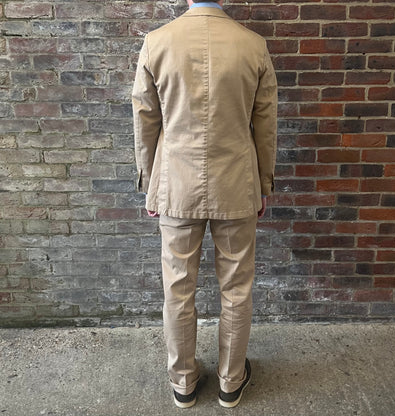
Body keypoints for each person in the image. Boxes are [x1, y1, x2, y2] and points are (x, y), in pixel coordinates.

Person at [132, 0, 277, 408]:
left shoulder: (157, 42)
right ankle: (231, 381)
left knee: (178, 288)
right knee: (236, 287)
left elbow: (145, 117)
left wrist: (149, 182)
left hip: (176, 184)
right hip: (236, 183)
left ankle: (184, 382)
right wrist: (263, 182)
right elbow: (265, 120)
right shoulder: (253, 45)